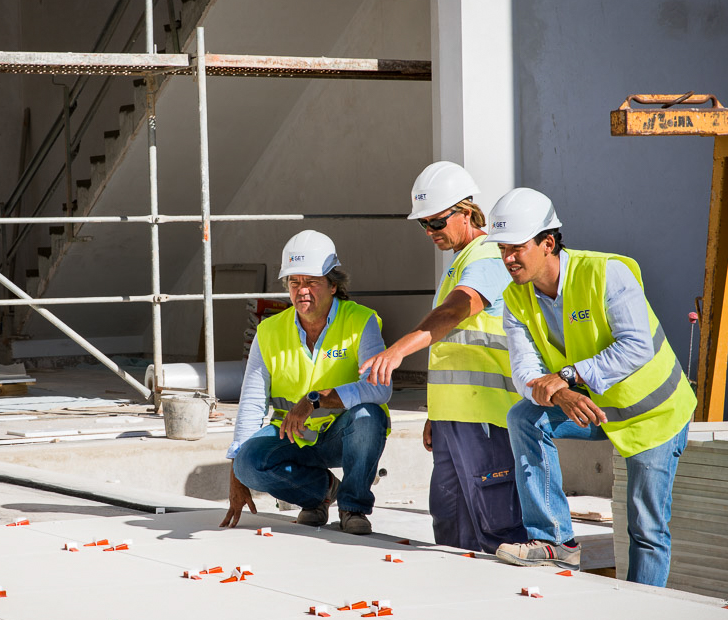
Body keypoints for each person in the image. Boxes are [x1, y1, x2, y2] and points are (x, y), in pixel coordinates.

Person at [484, 188, 696, 585]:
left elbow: (636, 346)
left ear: (548, 243)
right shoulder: (516, 298)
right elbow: (525, 370)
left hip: (655, 413)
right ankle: (555, 542)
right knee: (524, 417)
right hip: (593, 406)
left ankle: (640, 614)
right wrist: (560, 392)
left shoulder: (605, 272)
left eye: (517, 248)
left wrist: (567, 378)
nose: (508, 258)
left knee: (645, 528)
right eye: (502, 249)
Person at [359, 162, 526, 552]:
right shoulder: (459, 264)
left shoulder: (486, 256)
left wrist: (397, 350)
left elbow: (454, 313)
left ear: (466, 212)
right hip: (455, 417)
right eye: (424, 225)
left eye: (436, 222)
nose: (430, 233)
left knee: (495, 527)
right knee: (450, 524)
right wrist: (437, 413)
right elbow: (451, 347)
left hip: (486, 417)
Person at [221, 230, 391, 535]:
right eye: (294, 282)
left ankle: (353, 508)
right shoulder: (270, 330)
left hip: (343, 436)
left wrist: (315, 400)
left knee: (369, 415)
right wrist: (237, 472)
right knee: (247, 461)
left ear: (333, 285)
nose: (302, 291)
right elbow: (252, 400)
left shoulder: (361, 321)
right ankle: (321, 493)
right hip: (293, 436)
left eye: (311, 282)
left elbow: (380, 388)